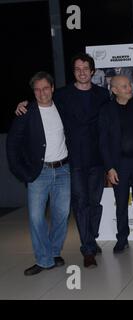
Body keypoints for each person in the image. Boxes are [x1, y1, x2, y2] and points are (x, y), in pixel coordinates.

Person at [16, 53, 110, 268]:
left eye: (86, 68)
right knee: (80, 204)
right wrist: (24, 105)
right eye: (77, 68)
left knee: (94, 204)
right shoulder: (62, 94)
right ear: (73, 72)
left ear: (93, 71)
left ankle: (91, 237)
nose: (82, 72)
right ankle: (87, 249)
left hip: (97, 160)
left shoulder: (103, 95)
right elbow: (42, 100)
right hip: (73, 162)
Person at [7, 72, 70, 276]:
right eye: (37, 89)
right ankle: (43, 260)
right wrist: (23, 173)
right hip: (38, 174)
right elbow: (12, 146)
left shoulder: (62, 106)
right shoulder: (26, 113)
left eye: (45, 88)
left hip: (63, 170)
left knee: (61, 215)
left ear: (52, 88)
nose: (42, 93)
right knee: (36, 218)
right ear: (33, 92)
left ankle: (53, 252)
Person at [99, 76, 133, 253]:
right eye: (125, 86)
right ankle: (122, 238)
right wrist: (109, 167)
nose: (130, 88)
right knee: (120, 203)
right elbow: (103, 141)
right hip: (118, 164)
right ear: (114, 90)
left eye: (129, 85)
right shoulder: (106, 110)